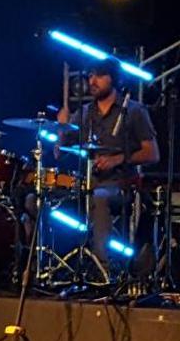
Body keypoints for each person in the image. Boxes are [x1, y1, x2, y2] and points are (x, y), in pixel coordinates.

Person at [57, 57, 159, 270]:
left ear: (114, 79)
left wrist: (118, 159)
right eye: (90, 76)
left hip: (120, 185)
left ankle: (101, 269)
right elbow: (59, 153)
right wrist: (61, 127)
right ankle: (50, 264)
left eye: (99, 75)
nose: (92, 81)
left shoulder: (134, 110)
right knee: (34, 198)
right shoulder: (83, 113)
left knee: (100, 198)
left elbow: (152, 153)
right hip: (86, 181)